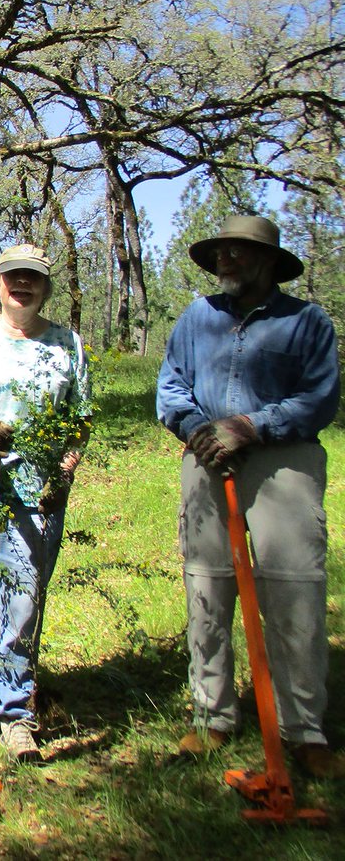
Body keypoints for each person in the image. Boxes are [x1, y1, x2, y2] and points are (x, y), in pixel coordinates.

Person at [157, 215, 343, 779]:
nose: (226, 261)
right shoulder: (197, 317)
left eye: (238, 252)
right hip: (207, 461)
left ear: (268, 261)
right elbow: (170, 386)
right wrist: (199, 430)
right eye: (220, 253)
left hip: (283, 465)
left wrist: (252, 426)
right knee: (207, 587)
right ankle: (213, 717)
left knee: (294, 592)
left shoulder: (307, 322)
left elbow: (320, 399)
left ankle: (304, 731)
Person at [0, 243, 91, 764]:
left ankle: (13, 711)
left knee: (23, 600)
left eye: (32, 278)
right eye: (12, 277)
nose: (21, 285)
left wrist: (67, 462)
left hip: (38, 491)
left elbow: (81, 415)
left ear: (45, 287)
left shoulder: (67, 342)